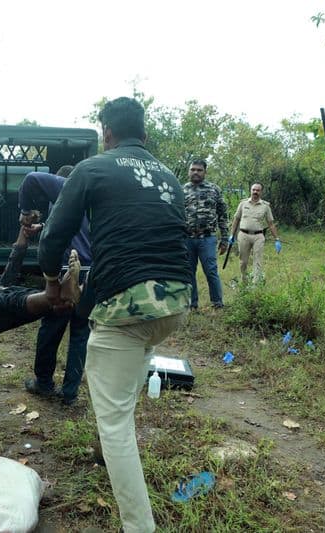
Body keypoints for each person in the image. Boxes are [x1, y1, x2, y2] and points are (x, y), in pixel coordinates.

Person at [38, 97, 191, 533]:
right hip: (175, 303)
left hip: (127, 307)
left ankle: (139, 526)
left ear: (106, 130)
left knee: (116, 423)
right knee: (122, 377)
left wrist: (52, 280)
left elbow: (53, 238)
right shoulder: (169, 176)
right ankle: (104, 451)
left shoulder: (93, 168)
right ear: (143, 132)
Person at [18, 165, 91, 406]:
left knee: (51, 328)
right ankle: (70, 392)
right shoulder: (93, 197)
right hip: (90, 273)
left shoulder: (65, 186)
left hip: (66, 271)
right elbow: (72, 226)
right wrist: (42, 226)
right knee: (80, 333)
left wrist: (26, 212)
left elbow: (30, 179)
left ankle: (44, 383)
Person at [183, 159, 229, 309]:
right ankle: (192, 304)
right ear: (189, 171)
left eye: (199, 170)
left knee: (211, 271)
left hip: (207, 238)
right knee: (189, 272)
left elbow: (223, 214)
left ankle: (217, 303)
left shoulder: (214, 189)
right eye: (193, 169)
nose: (195, 172)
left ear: (205, 172)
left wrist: (224, 239)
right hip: (187, 239)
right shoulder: (182, 190)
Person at [229, 183, 281, 281]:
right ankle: (244, 280)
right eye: (253, 190)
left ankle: (255, 285)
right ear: (250, 190)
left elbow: (271, 224)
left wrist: (277, 239)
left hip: (258, 236)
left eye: (258, 190)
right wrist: (232, 235)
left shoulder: (265, 206)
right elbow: (236, 219)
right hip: (243, 235)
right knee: (243, 261)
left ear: (261, 192)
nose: (255, 192)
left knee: (258, 261)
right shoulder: (243, 204)